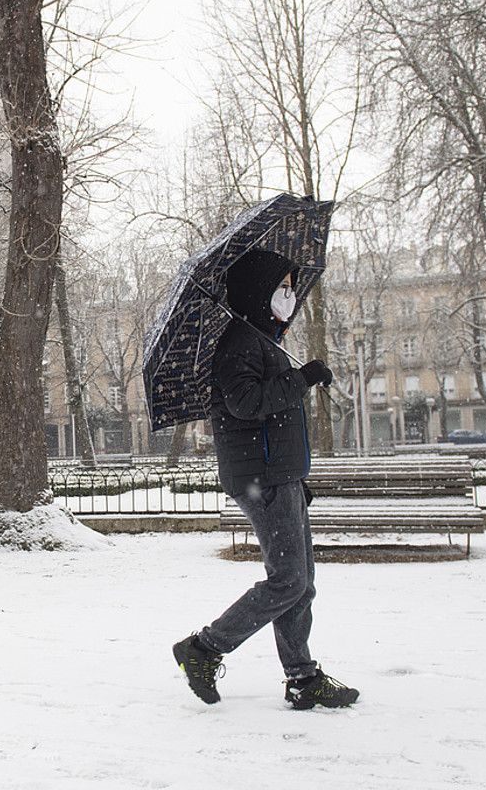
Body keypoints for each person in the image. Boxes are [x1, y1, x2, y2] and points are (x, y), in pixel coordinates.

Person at [171, 248, 359, 710]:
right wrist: (302, 379)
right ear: (258, 291)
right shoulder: (240, 341)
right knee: (288, 580)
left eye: (292, 287)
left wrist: (295, 477)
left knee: (301, 580)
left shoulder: (264, 339)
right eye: (281, 286)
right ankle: (205, 648)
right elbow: (244, 403)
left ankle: (302, 678)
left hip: (281, 476)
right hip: (261, 477)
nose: (289, 295)